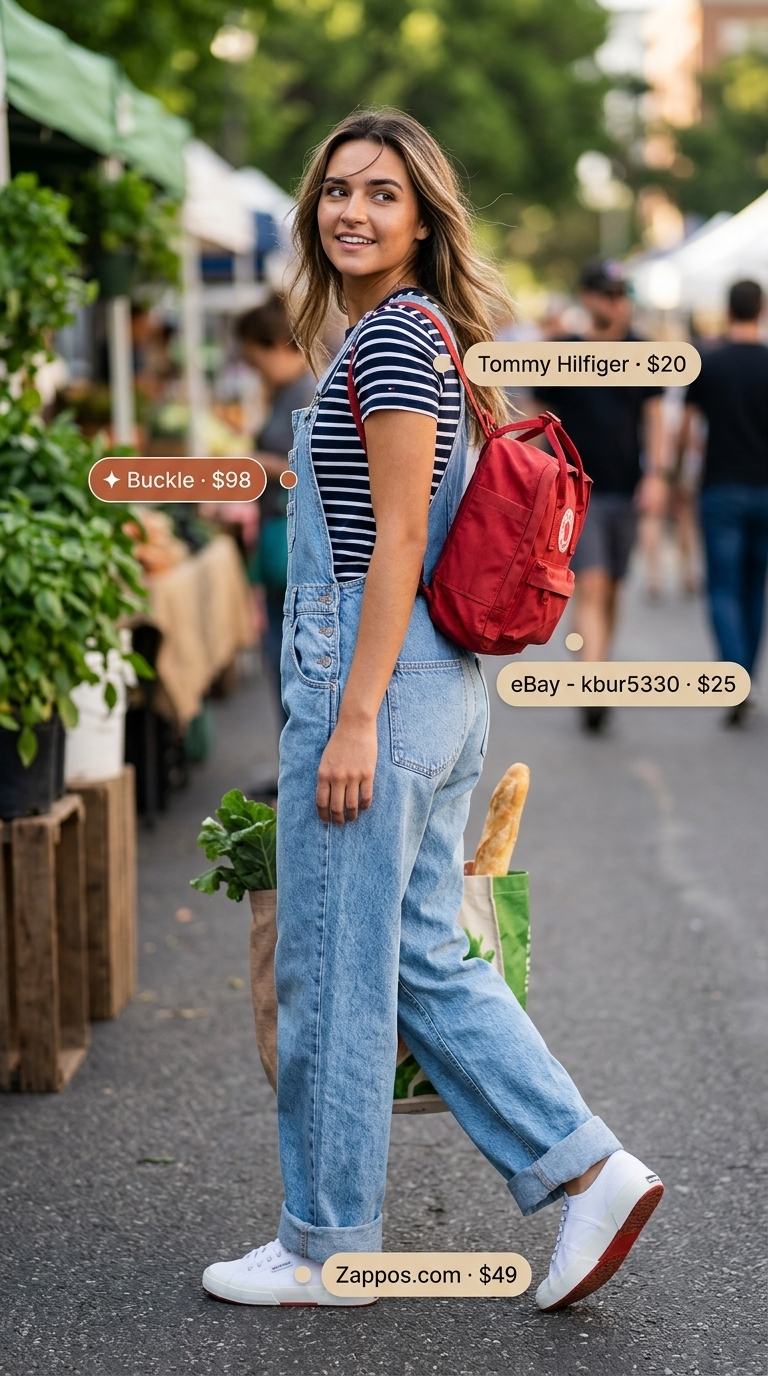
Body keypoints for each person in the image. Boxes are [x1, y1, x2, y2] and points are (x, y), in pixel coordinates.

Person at [202, 110, 663, 1312]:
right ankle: (590, 1170)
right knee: (418, 959)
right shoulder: (410, 336)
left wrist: (351, 717)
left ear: (421, 219)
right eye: (337, 191)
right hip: (431, 682)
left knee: (335, 972)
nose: (351, 210)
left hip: (384, 681)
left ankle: (326, 1248)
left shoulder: (397, 343)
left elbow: (402, 536)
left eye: (381, 194)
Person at [533, 260, 667, 733]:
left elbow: (653, 417)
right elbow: (539, 417)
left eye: (622, 295)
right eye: (608, 294)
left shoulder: (641, 351)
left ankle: (597, 667)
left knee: (610, 588)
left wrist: (658, 475)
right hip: (575, 494)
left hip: (626, 489)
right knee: (590, 584)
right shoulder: (563, 352)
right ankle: (593, 686)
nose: (617, 303)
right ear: (588, 298)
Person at [679, 279, 768, 726]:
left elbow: (689, 427)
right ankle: (745, 675)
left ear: (728, 310)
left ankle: (735, 676)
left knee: (723, 588)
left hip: (720, 488)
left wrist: (677, 473)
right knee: (755, 587)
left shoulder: (709, 365)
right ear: (762, 310)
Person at [236, 296, 316, 739]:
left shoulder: (304, 394)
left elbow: (309, 471)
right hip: (279, 537)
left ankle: (299, 766)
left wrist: (256, 464)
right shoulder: (287, 393)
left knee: (288, 657)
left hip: (290, 538)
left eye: (256, 357)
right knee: (282, 655)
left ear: (280, 345)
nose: (254, 368)